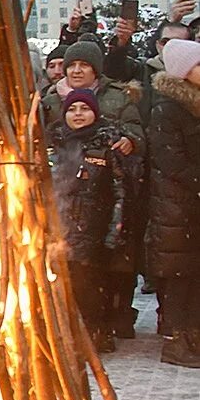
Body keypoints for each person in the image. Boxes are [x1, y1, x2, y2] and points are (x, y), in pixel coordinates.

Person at [50, 88, 132, 353]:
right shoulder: (53, 144)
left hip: (94, 228)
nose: (78, 114)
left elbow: (121, 192)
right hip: (58, 228)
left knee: (91, 287)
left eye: (84, 109)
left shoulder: (108, 145)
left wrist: (114, 231)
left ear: (95, 113)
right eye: (72, 109)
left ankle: (94, 335)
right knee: (62, 286)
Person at [146, 40, 200, 367]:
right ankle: (176, 342)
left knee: (194, 274)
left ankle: (192, 336)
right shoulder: (167, 108)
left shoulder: (194, 104)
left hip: (191, 204)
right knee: (180, 275)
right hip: (176, 207)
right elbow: (172, 161)